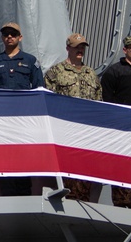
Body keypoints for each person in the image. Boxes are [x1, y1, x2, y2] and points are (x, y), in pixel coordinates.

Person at [0, 22, 42, 195]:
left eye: (13, 34)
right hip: (3, 122)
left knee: (24, 158)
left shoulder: (30, 61)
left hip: (23, 121)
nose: (9, 37)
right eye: (6, 34)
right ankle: (7, 195)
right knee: (5, 159)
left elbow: (39, 90)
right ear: (2, 38)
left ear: (20, 37)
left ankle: (25, 195)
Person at [44, 34, 102, 200]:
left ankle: (83, 203)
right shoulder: (55, 72)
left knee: (86, 171)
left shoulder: (91, 73)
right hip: (65, 131)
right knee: (68, 171)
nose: (80, 50)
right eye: (77, 46)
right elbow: (48, 101)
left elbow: (99, 102)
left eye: (82, 47)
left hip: (87, 132)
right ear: (68, 48)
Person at [102, 35, 131, 208]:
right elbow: (107, 99)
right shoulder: (114, 71)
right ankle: (120, 202)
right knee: (121, 164)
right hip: (121, 128)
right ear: (125, 50)